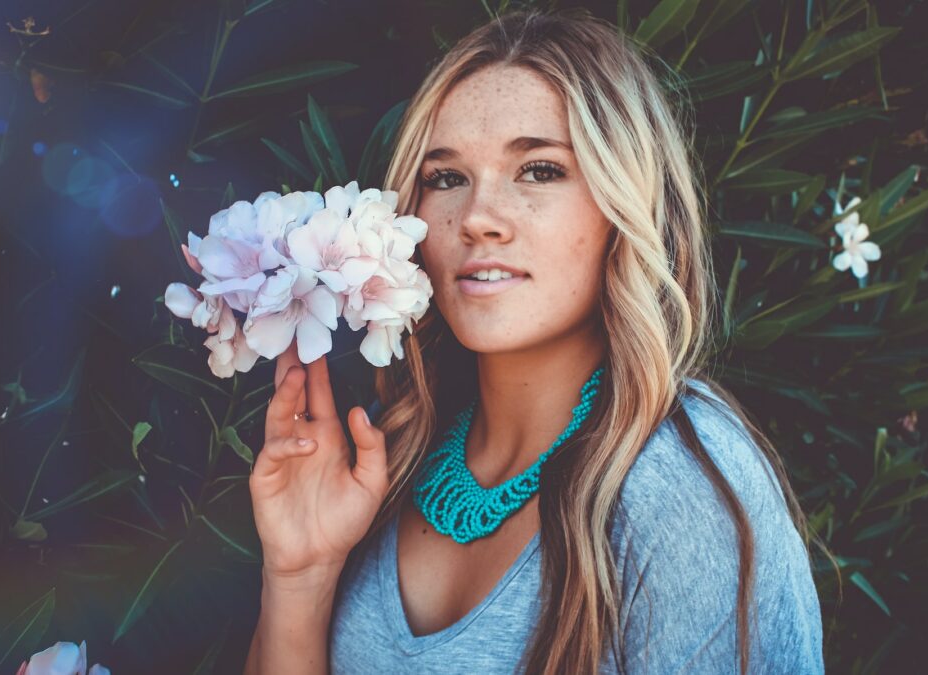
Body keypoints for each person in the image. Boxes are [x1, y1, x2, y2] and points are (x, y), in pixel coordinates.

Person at [244, 8, 829, 675]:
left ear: (624, 203)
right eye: (446, 178)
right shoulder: (392, 450)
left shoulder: (683, 493)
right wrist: (301, 573)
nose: (478, 218)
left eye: (540, 170)